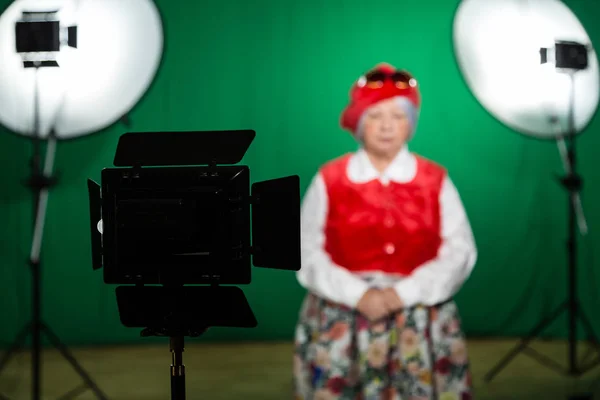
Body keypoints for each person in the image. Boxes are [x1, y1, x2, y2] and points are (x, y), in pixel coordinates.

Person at [293, 63, 477, 400]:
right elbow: (305, 251)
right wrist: (358, 294)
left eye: (398, 115)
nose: (387, 126)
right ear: (360, 123)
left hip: (417, 317)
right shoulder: (330, 178)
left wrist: (401, 295)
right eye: (376, 115)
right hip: (343, 315)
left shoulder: (434, 179)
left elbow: (460, 250)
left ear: (411, 123)